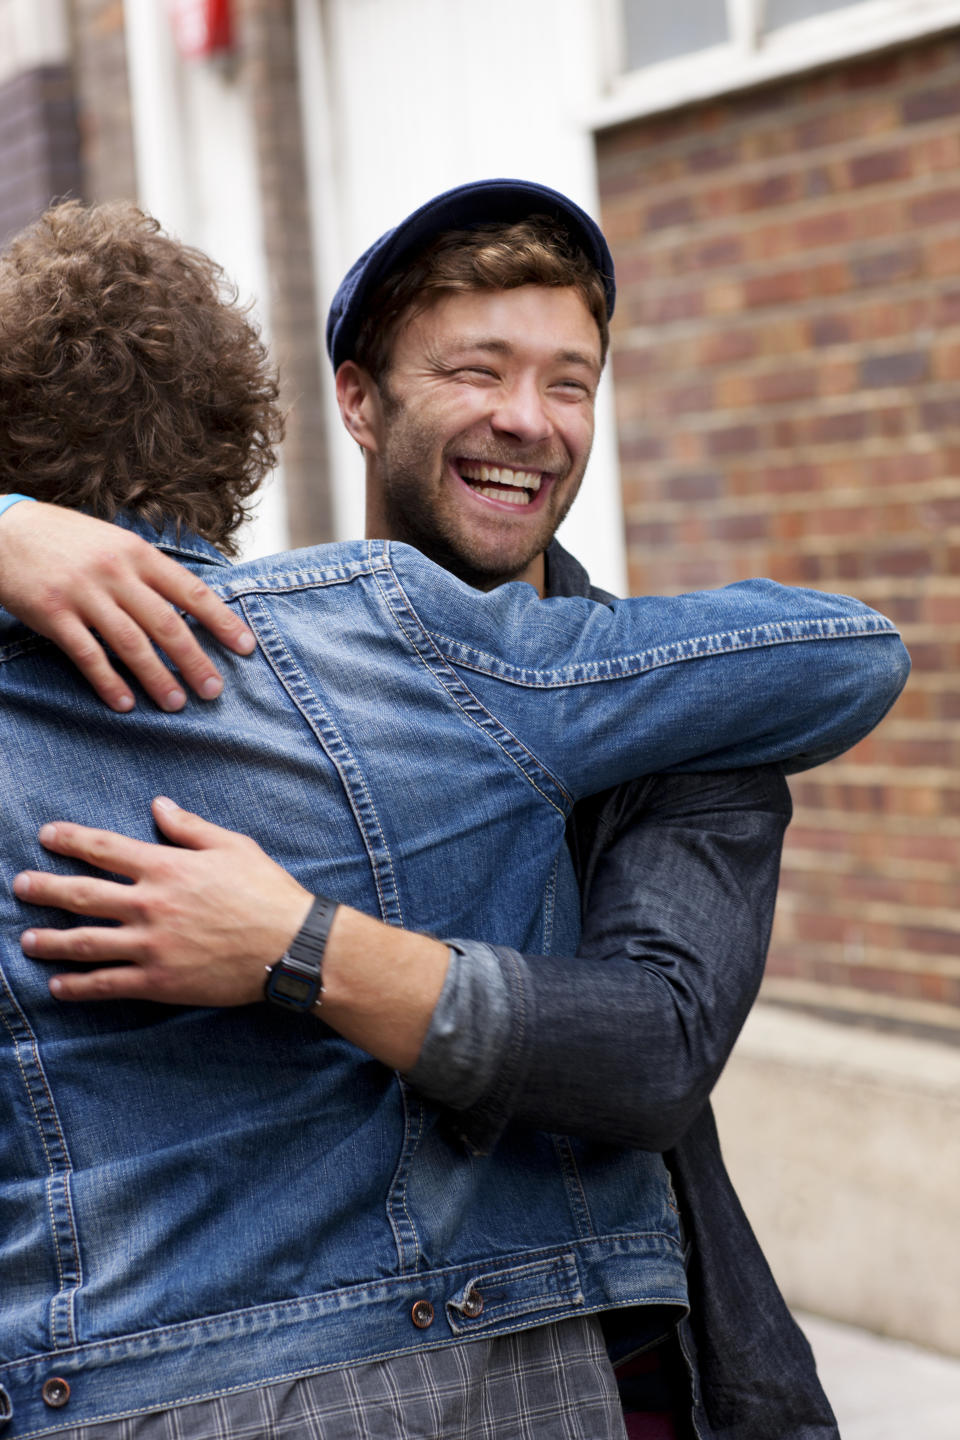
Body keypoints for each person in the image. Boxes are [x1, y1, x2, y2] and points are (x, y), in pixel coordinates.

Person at [0, 193, 908, 1439]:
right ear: (357, 403)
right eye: (476, 370)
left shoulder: (688, 711)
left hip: (621, 1361)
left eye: (570, 383)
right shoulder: (318, 651)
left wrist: (298, 945)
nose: (526, 420)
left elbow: (652, 1050)